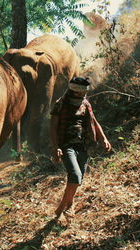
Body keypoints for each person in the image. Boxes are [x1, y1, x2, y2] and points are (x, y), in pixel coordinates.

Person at [50, 77, 111, 220]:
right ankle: (70, 205)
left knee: (77, 179)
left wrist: (103, 139)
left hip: (83, 146)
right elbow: (53, 127)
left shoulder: (85, 104)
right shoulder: (60, 105)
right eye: (81, 92)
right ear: (74, 91)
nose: (84, 94)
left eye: (85, 92)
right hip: (67, 146)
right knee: (75, 176)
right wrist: (55, 147)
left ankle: (60, 208)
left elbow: (94, 122)